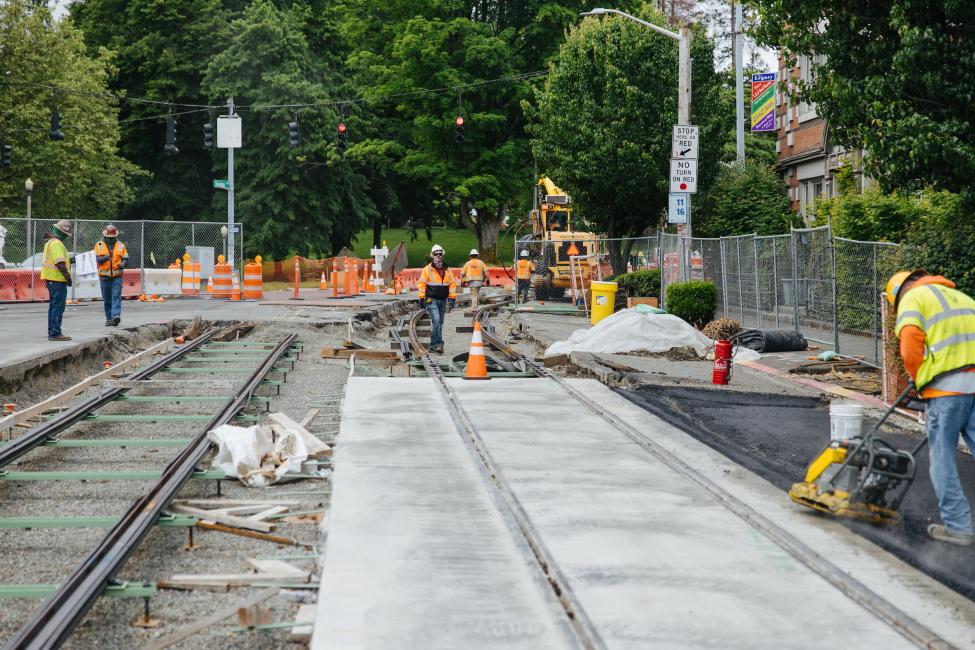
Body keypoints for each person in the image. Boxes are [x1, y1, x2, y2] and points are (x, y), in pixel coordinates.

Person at [888, 269, 975, 546]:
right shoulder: (962, 298)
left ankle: (959, 527)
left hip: (946, 390)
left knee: (942, 459)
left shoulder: (913, 299)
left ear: (901, 293)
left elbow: (910, 345)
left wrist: (917, 377)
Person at [417, 244, 456, 354]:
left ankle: (433, 345)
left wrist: (452, 298)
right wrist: (421, 298)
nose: (438, 256)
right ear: (432, 256)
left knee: (439, 322)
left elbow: (452, 284)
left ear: (442, 255)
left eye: (440, 254)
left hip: (443, 300)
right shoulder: (427, 270)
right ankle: (439, 344)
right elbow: (422, 284)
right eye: (436, 254)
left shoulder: (447, 269)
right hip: (431, 299)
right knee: (437, 320)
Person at [41, 220, 73, 341]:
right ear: (62, 232)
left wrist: (71, 260)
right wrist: (67, 277)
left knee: (54, 306)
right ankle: (55, 333)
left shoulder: (51, 242)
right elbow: (59, 263)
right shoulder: (56, 243)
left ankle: (52, 331)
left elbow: (59, 260)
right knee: (58, 307)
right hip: (57, 280)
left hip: (51, 280)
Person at [94, 224, 128, 326]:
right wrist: (104, 258)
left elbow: (125, 258)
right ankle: (109, 319)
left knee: (116, 296)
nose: (111, 239)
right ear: (105, 236)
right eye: (109, 237)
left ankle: (115, 316)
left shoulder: (121, 245)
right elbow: (95, 259)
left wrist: (122, 264)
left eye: (112, 237)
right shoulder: (99, 245)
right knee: (107, 298)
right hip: (104, 276)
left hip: (117, 275)